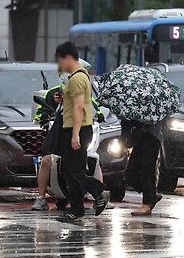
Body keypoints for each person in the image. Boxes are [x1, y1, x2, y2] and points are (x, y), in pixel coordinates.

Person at [32, 62, 106, 211]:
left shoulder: (80, 86)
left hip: (75, 133)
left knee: (75, 170)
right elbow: (41, 111)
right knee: (59, 166)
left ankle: (93, 197)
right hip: (59, 134)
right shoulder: (54, 92)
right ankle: (43, 198)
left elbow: (88, 110)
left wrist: (75, 135)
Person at [55, 41, 110, 220]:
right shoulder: (78, 77)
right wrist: (63, 98)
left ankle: (99, 192)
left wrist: (75, 134)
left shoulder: (78, 78)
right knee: (69, 171)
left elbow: (79, 108)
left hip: (78, 129)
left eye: (60, 61)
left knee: (74, 172)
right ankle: (76, 209)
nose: (60, 66)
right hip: (74, 128)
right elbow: (75, 103)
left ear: (68, 58)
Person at [122, 120, 164, 216]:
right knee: (131, 174)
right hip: (141, 136)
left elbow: (150, 121)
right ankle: (151, 195)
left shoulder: (149, 111)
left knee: (146, 171)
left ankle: (147, 204)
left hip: (151, 136)